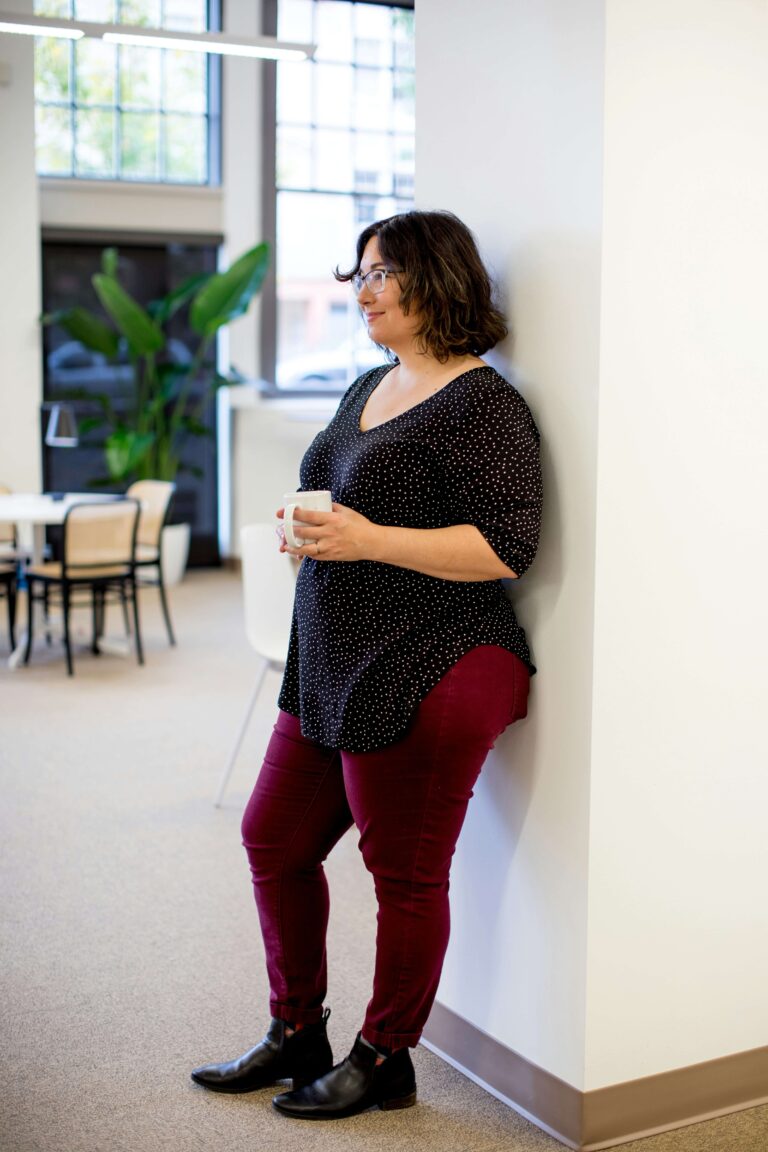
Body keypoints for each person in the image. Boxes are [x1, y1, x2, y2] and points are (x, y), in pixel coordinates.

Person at [191, 210, 542, 1120]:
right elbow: (347, 502)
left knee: (405, 874)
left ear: (439, 281)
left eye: (382, 271)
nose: (365, 288)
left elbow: (508, 547)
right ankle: (296, 1030)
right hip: (334, 655)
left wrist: (366, 537)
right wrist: (308, 532)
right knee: (273, 837)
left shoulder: (485, 403)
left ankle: (388, 1055)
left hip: (433, 659)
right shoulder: (366, 387)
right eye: (359, 274)